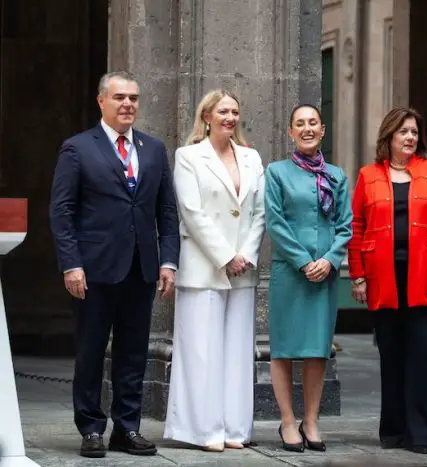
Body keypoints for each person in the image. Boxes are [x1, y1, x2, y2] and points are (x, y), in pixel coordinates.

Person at [49, 71, 179, 458]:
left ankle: (127, 427)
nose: (128, 105)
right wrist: (71, 264)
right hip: (93, 270)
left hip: (141, 269)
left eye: (134, 98)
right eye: (120, 97)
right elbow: (62, 211)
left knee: (134, 353)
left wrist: (168, 261)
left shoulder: (153, 149)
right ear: (101, 101)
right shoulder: (77, 148)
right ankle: (91, 428)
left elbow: (166, 211)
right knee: (90, 350)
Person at [347, 107, 427, 454]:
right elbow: (356, 227)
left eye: (413, 132)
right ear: (389, 138)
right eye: (402, 132)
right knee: (391, 356)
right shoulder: (368, 175)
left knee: (424, 357)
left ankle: (421, 434)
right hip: (384, 278)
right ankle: (393, 432)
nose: (409, 137)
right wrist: (358, 275)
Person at [163, 90, 265, 451]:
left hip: (243, 270)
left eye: (235, 111)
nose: (230, 117)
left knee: (238, 352)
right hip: (204, 267)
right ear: (206, 116)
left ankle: (235, 430)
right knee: (201, 351)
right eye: (223, 111)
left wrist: (246, 254)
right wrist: (226, 256)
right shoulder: (188, 156)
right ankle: (203, 430)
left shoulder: (252, 157)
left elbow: (259, 212)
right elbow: (192, 212)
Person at [264, 104, 352, 453]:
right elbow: (275, 222)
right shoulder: (277, 172)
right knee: (283, 350)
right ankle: (287, 421)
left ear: (323, 129)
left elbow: (345, 226)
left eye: (312, 123)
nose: (307, 129)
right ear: (290, 132)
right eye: (299, 124)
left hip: (325, 275)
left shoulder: (337, 176)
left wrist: (329, 261)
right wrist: (304, 262)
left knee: (317, 350)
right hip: (290, 273)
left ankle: (311, 420)